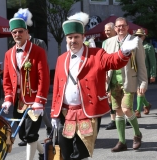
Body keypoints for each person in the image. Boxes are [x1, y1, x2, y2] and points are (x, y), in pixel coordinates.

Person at [50, 12, 138, 160]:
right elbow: (57, 87)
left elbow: (113, 61)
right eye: (70, 38)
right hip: (65, 113)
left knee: (80, 153)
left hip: (88, 111)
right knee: (65, 153)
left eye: (76, 37)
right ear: (66, 39)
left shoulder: (96, 54)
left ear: (83, 38)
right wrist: (54, 113)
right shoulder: (61, 59)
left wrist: (124, 51)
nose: (73, 41)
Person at [1, 8, 50, 160]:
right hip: (17, 101)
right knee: (23, 134)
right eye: (14, 32)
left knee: (30, 134)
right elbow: (7, 78)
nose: (17, 35)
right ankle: (43, 152)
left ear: (26, 32)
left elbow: (44, 77)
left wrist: (40, 101)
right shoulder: (8, 53)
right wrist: (8, 98)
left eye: (20, 31)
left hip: (33, 100)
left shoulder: (37, 51)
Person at [103, 17, 147, 152]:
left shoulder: (135, 41)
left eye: (123, 26)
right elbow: (104, 64)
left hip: (129, 80)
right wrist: (104, 83)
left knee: (127, 109)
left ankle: (137, 134)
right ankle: (122, 142)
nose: (120, 28)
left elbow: (141, 63)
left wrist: (143, 82)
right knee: (118, 112)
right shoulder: (108, 42)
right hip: (113, 82)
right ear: (115, 29)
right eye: (118, 26)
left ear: (128, 27)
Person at [17, 34, 52, 147]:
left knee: (38, 110)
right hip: (23, 84)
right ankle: (27, 136)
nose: (19, 34)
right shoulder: (18, 43)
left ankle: (47, 128)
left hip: (36, 80)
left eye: (21, 31)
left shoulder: (39, 42)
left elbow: (43, 59)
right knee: (25, 110)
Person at [134, 28, 156, 118]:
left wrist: (152, 74)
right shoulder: (133, 46)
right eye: (136, 36)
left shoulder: (148, 47)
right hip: (135, 71)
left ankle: (138, 111)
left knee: (140, 91)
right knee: (138, 91)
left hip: (144, 72)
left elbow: (153, 62)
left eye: (140, 36)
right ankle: (147, 104)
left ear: (144, 37)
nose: (138, 37)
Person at [102, 22, 117, 130]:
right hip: (109, 73)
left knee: (120, 98)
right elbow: (103, 59)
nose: (106, 32)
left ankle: (123, 117)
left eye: (108, 30)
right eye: (105, 30)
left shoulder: (119, 40)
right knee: (109, 97)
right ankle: (113, 120)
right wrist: (105, 73)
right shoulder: (105, 43)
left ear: (114, 30)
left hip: (120, 73)